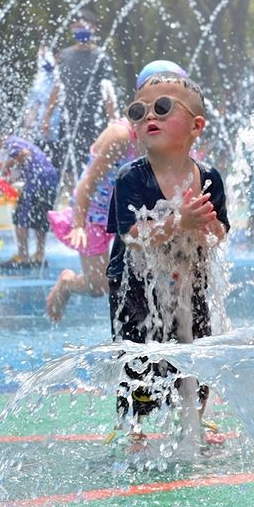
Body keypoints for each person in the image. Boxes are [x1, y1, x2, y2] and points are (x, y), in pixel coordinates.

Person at [105, 73, 229, 447]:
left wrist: (206, 227)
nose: (148, 117)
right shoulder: (131, 178)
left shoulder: (208, 178)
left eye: (161, 107)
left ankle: (195, 415)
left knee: (199, 350)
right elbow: (132, 236)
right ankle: (133, 426)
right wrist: (178, 222)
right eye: (138, 111)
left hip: (190, 279)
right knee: (138, 355)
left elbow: (220, 233)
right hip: (135, 285)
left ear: (196, 126)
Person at [46, 59, 188, 322]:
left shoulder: (166, 132)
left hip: (130, 210)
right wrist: (78, 223)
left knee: (152, 272)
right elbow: (87, 180)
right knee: (98, 286)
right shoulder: (122, 136)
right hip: (96, 213)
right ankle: (67, 282)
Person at [42, 10, 118, 192]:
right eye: (76, 26)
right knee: (68, 166)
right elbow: (57, 87)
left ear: (94, 28)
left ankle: (91, 201)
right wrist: (47, 117)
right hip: (69, 121)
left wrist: (113, 121)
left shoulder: (101, 56)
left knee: (94, 162)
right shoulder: (65, 55)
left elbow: (108, 90)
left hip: (94, 121)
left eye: (84, 26)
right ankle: (73, 200)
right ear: (71, 29)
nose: (80, 29)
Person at [0, 133, 60, 268]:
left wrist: (5, 166)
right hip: (50, 179)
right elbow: (25, 162)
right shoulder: (19, 142)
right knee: (41, 218)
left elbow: (25, 154)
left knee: (20, 217)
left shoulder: (10, 142)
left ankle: (23, 256)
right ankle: (39, 255)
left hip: (37, 181)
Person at [22, 46, 62, 170]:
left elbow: (57, 97)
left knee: (54, 163)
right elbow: (35, 102)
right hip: (39, 130)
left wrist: (46, 119)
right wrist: (27, 125)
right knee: (37, 162)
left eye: (45, 54)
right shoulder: (42, 76)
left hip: (55, 128)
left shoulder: (59, 75)